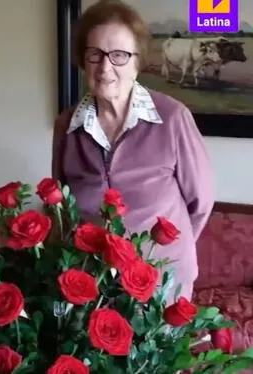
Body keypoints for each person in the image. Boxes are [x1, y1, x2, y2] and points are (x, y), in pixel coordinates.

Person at [51, 0, 214, 305]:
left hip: (162, 283)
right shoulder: (68, 125)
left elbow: (200, 203)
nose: (105, 67)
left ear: (138, 62)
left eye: (119, 55)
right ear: (82, 60)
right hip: (94, 283)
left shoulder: (173, 117)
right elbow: (63, 206)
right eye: (95, 54)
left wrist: (167, 255)